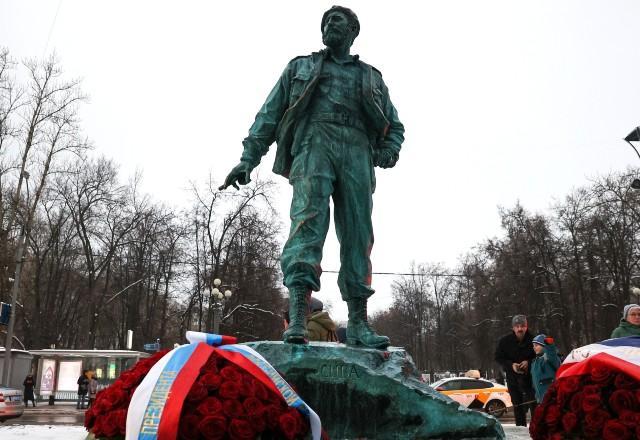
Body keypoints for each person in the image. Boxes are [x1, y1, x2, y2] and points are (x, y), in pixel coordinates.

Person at [220, 6, 404, 349]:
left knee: (358, 234)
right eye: (325, 21)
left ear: (352, 31)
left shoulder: (371, 77)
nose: (329, 24)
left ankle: (360, 323)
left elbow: (395, 126)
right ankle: (299, 321)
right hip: (313, 143)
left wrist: (389, 151)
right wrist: (248, 158)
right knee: (306, 225)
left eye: (337, 20)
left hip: (358, 149)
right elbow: (269, 115)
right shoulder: (300, 67)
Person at [495, 314, 536, 427]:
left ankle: (537, 432)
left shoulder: (534, 340)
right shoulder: (504, 342)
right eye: (517, 326)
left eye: (522, 326)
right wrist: (511, 365)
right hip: (513, 380)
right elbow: (498, 357)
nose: (520, 329)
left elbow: (541, 356)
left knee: (535, 407)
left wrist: (529, 362)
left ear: (526, 327)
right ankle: (521, 432)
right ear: (513, 328)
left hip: (531, 381)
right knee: (518, 408)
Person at [530, 334, 560, 403]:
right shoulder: (534, 362)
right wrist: (537, 396)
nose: (534, 347)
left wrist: (549, 345)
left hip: (552, 398)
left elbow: (551, 353)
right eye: (533, 346)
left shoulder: (550, 358)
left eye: (536, 345)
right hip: (541, 400)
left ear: (544, 345)